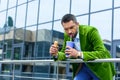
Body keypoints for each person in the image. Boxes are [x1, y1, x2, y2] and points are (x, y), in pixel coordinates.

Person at [49, 14, 116, 80]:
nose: (69, 31)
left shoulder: (91, 31)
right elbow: (65, 53)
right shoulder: (68, 35)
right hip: (84, 67)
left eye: (72, 27)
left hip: (99, 67)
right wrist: (56, 54)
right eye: (66, 29)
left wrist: (78, 54)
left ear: (77, 24)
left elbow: (102, 53)